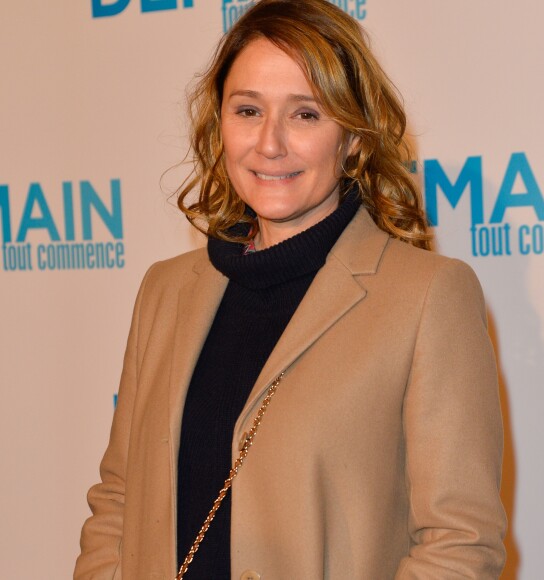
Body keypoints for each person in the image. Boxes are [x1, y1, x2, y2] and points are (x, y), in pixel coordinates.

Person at [74, 0, 507, 578]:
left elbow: (460, 544)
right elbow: (119, 500)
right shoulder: (165, 290)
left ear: (353, 138)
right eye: (248, 110)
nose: (269, 143)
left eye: (305, 115)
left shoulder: (429, 297)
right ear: (218, 125)